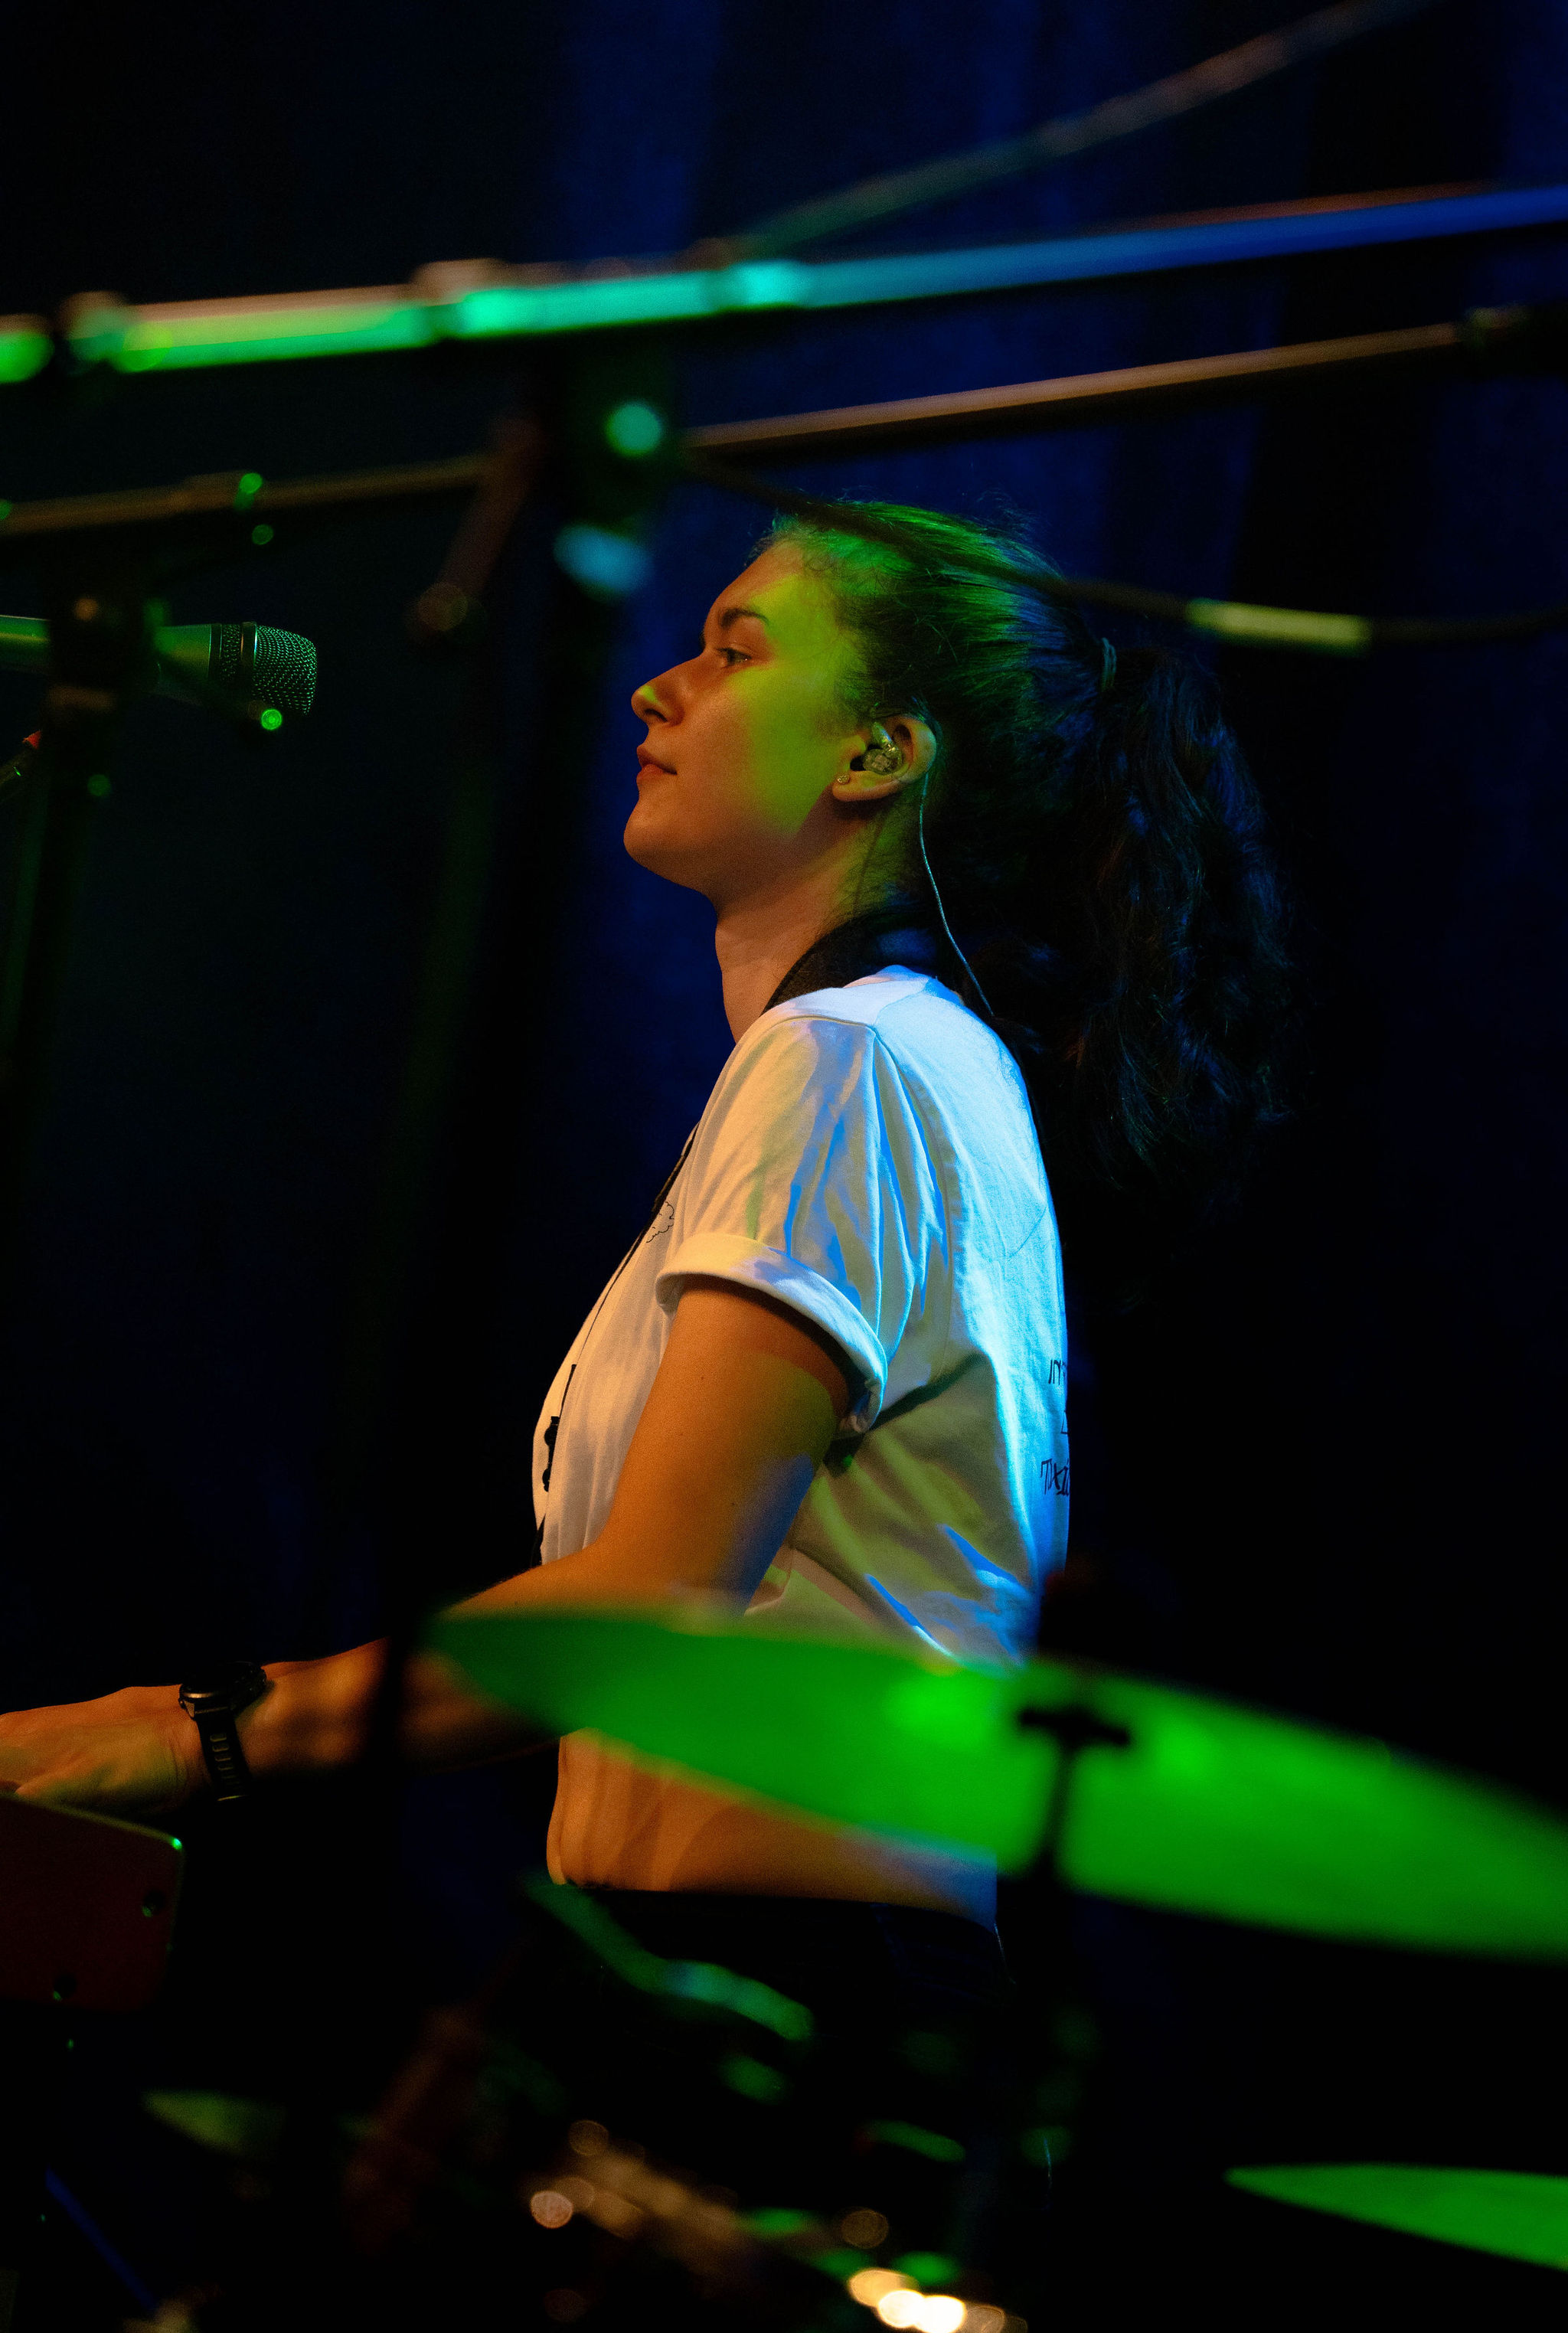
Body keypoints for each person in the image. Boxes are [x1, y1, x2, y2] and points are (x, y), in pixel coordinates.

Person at [0, 499, 1289, 2002]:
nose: (654, 689)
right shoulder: (889, 1061)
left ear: (878, 753)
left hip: (791, 1965)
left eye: (735, 652)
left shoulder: (854, 1059)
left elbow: (652, 1602)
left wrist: (178, 1733)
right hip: (745, 1964)